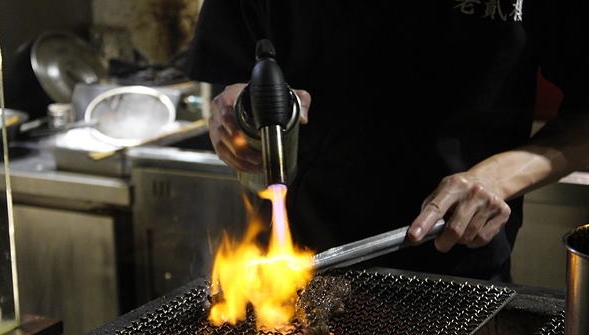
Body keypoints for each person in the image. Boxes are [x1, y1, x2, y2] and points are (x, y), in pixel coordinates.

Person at [183, 0, 589, 282]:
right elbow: (232, 71)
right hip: (285, 274)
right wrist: (236, 115)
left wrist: (499, 177)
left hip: (452, 275)